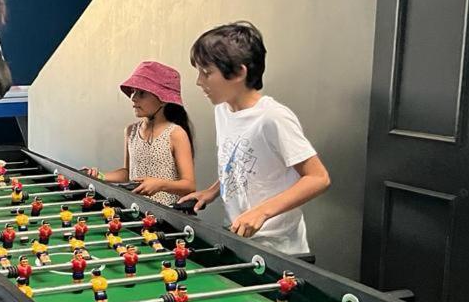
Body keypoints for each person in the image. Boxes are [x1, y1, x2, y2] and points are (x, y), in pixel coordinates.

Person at [179, 22, 330, 254]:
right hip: (239, 239)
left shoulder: (273, 117)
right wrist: (211, 191)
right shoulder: (223, 110)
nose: (199, 81)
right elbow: (239, 164)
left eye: (207, 73)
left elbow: (318, 178)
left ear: (239, 72)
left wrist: (262, 211)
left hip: (280, 249)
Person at [84, 61, 195, 206]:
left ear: (163, 99)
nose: (133, 98)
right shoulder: (131, 131)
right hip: (134, 211)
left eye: (141, 93)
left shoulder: (176, 134)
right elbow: (128, 173)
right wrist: (99, 176)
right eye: (133, 91)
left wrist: (160, 184)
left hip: (166, 217)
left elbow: (189, 186)